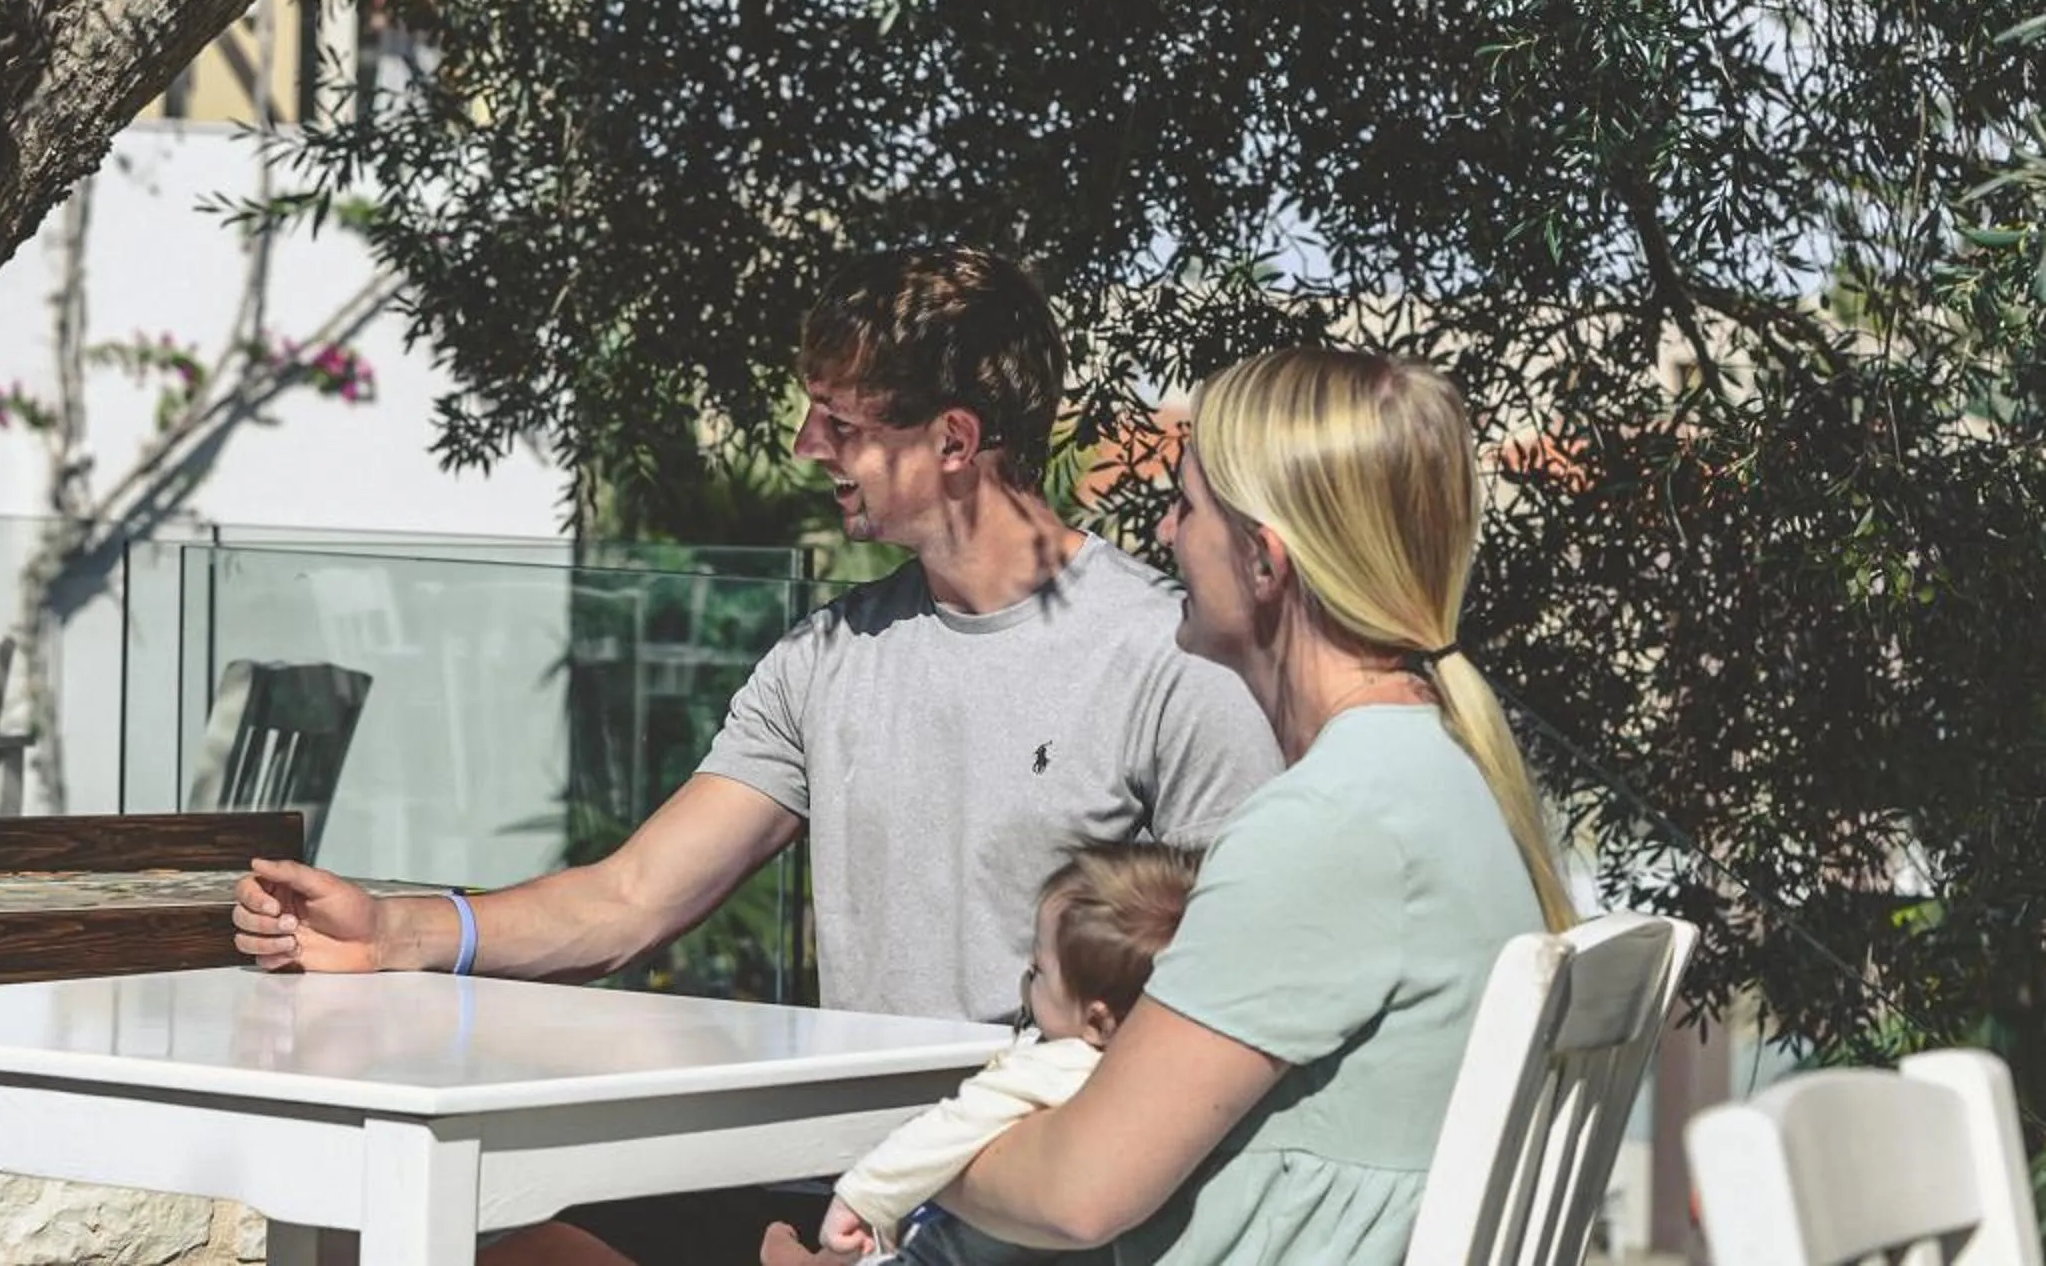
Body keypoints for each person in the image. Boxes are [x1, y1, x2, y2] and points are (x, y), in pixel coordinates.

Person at [232, 248, 1282, 1266]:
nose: (804, 445)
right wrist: (397, 930)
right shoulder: (824, 656)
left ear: (953, 440)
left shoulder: (1172, 663)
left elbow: (1217, 1032)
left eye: (842, 421)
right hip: (846, 1177)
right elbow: (632, 896)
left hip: (1038, 1209)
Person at [891, 347, 1576, 1265]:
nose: (1165, 535)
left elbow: (1075, 1196)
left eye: (1185, 506)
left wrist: (887, 1159)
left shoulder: (1333, 825)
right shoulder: (1449, 770)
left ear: (1264, 562)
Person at [821, 843, 1202, 1260]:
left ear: (1096, 1022)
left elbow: (947, 1130)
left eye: (1038, 971)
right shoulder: (1171, 1077)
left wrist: (860, 1198)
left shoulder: (1057, 1066)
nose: (1026, 978)